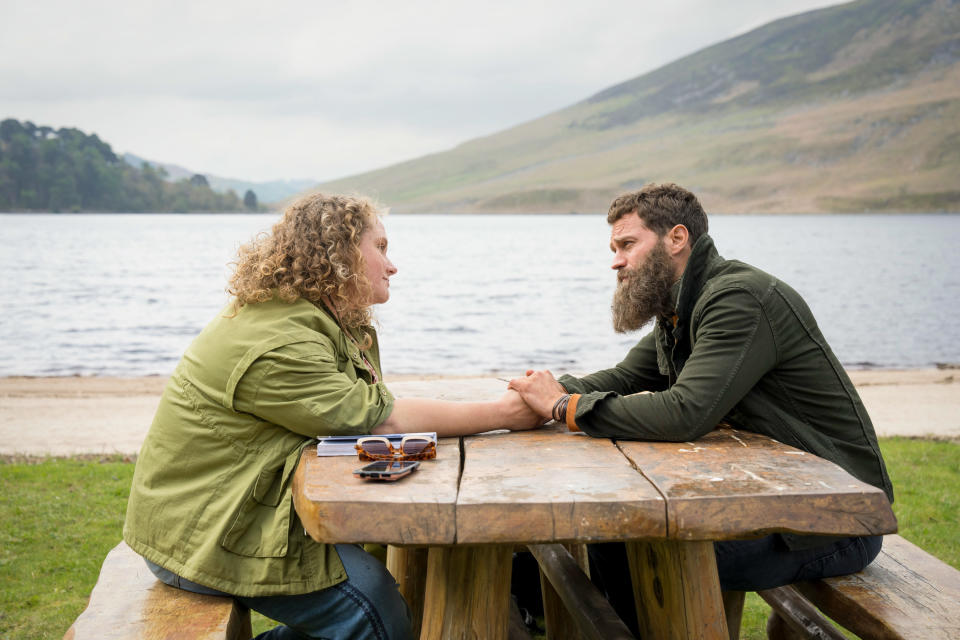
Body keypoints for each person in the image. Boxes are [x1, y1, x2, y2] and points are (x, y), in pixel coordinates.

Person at [123, 193, 541, 640]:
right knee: (373, 608)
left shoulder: (309, 317)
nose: (392, 265)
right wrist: (502, 413)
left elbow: (363, 409)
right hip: (203, 535)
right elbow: (380, 419)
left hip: (228, 510)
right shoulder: (280, 340)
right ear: (338, 253)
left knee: (395, 580)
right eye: (380, 247)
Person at [508, 182, 894, 635]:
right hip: (775, 499)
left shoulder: (737, 299)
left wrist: (561, 406)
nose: (616, 261)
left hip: (838, 518)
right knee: (614, 539)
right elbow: (623, 378)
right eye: (614, 248)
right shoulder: (682, 307)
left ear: (676, 238)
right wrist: (532, 394)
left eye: (627, 245)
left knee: (639, 549)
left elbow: (684, 412)